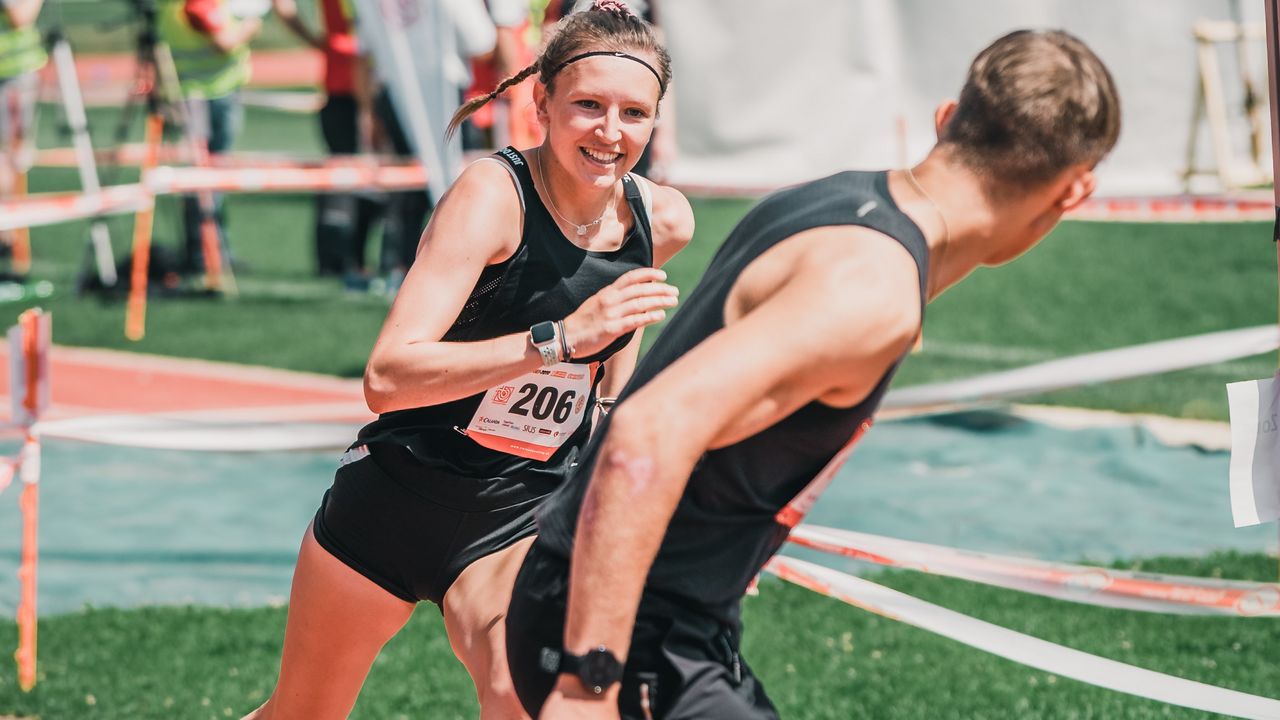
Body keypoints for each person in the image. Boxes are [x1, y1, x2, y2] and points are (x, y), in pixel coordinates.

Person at [505, 28, 1122, 719]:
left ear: (947, 119)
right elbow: (648, 432)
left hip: (636, 610)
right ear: (1074, 192)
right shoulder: (873, 290)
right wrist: (590, 681)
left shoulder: (831, 202)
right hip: (624, 635)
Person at [243, 2, 692, 718]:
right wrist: (558, 340)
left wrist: (606, 420)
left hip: (517, 513)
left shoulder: (661, 220)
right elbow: (387, 377)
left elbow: (618, 325)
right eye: (588, 106)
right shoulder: (492, 198)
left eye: (634, 113)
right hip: (395, 499)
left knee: (525, 693)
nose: (611, 132)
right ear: (540, 101)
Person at [271, 0, 382, 285]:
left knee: (341, 175)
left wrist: (315, 40)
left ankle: (335, 261)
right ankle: (355, 258)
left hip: (342, 79)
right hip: (370, 83)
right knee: (375, 176)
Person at [155, 0, 262, 276]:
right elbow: (225, 41)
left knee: (211, 179)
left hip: (210, 91)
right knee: (203, 181)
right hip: (202, 94)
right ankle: (204, 255)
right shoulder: (196, 4)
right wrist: (253, 23)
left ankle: (217, 251)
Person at [0, 0, 45, 270]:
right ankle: (6, 232)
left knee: (13, 155)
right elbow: (21, 16)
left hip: (13, 70)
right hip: (9, 71)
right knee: (7, 156)